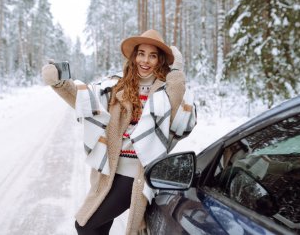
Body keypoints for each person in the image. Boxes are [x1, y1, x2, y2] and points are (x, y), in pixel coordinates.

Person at [41, 29, 196, 235]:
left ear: (160, 60)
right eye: (141, 53)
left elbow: (179, 118)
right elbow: (86, 99)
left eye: (152, 55)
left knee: (85, 224)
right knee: (100, 225)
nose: (145, 60)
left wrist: (176, 72)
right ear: (134, 56)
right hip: (109, 171)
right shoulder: (117, 85)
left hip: (136, 176)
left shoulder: (166, 90)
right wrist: (60, 83)